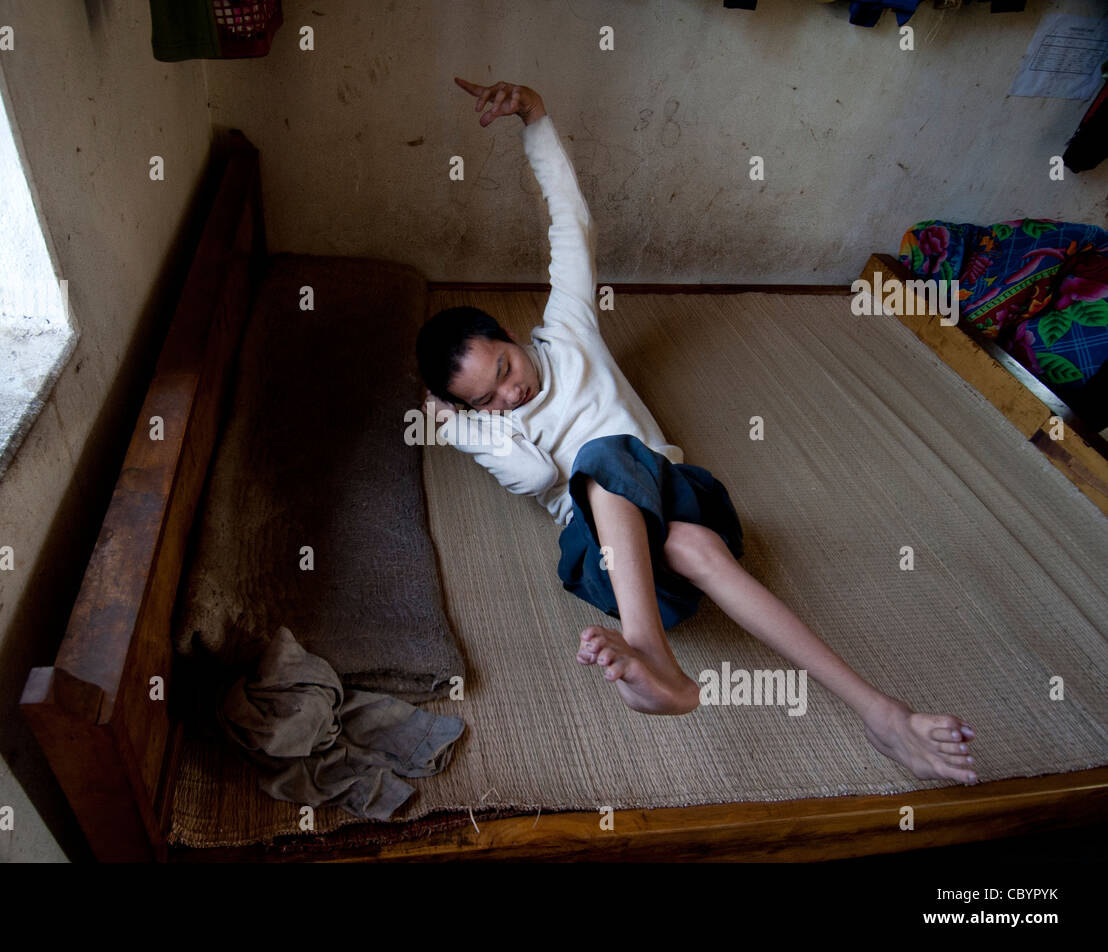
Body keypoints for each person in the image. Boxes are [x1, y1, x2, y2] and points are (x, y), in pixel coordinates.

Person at [415, 77, 978, 785]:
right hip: (611, 568)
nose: (511, 391)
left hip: (678, 497)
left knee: (656, 501)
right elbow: (531, 479)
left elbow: (570, 224)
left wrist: (536, 117)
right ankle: (677, 656)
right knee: (644, 505)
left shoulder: (568, 332)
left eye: (504, 366)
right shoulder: (487, 429)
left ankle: (870, 709)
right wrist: (461, 426)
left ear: (509, 333)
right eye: (488, 398)